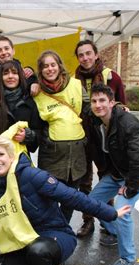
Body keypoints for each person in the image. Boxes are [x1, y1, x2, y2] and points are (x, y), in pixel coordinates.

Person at [0, 135, 131, 265]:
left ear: (11, 157)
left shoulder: (31, 175)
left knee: (38, 250)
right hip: (20, 241)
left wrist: (110, 213)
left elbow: (73, 197)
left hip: (52, 234)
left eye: (1, 154)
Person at [88, 83, 139, 265]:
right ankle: (115, 232)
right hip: (117, 172)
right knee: (92, 202)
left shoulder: (128, 124)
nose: (98, 105)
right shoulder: (96, 121)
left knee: (122, 211)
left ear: (112, 102)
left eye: (102, 100)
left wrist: (130, 187)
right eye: (94, 101)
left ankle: (128, 257)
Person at [74, 39, 127, 237]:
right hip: (83, 137)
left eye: (89, 53)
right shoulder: (74, 80)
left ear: (96, 54)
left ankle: (108, 218)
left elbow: (121, 104)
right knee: (85, 182)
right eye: (81, 55)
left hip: (105, 137)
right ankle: (88, 221)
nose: (85, 58)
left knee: (107, 178)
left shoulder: (110, 76)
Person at [34, 50, 90, 223]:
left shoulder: (76, 85)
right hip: (52, 156)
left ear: (59, 66)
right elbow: (35, 122)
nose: (50, 69)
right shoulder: (36, 91)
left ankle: (63, 227)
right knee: (49, 195)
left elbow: (90, 110)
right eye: (45, 66)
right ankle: (51, 229)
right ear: (40, 70)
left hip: (76, 155)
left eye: (53, 64)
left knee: (70, 198)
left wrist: (116, 106)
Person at [0, 60, 42, 156]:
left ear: (20, 77)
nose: (10, 76)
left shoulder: (29, 102)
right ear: (1, 78)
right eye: (6, 73)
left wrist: (27, 136)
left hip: (21, 160)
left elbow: (38, 134)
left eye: (14, 73)